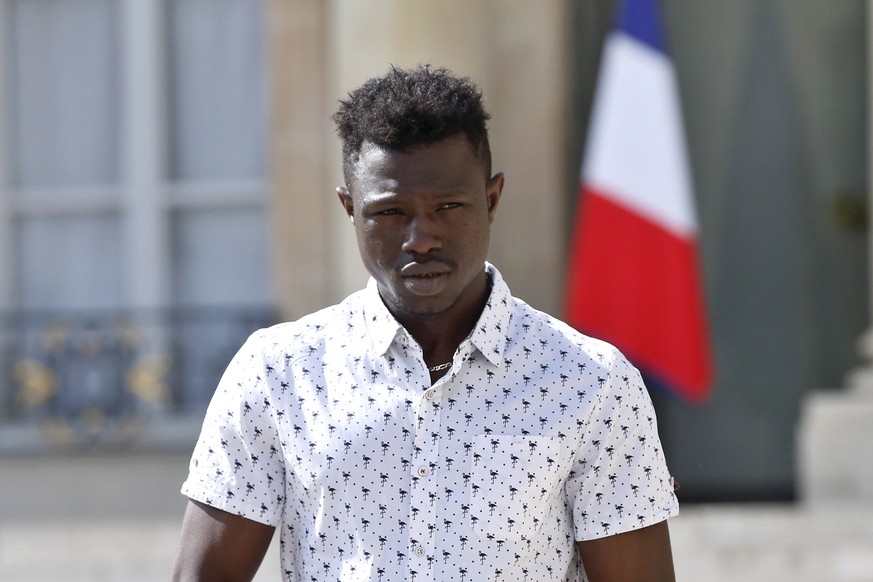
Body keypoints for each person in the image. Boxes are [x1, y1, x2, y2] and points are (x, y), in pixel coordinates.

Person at [173, 65, 678, 582]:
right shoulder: (276, 372)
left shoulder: (591, 382)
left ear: (493, 199)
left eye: (449, 206)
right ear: (350, 210)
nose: (421, 238)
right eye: (390, 213)